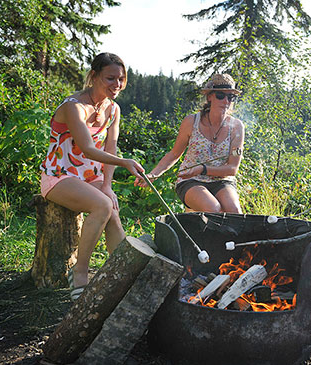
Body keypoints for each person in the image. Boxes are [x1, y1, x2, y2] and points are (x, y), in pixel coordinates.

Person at [40, 52, 145, 300]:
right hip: (59, 174)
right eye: (110, 78)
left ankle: (121, 275)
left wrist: (107, 185)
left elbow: (110, 147)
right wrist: (125, 163)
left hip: (89, 175)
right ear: (94, 76)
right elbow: (88, 148)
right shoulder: (73, 107)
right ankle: (80, 273)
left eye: (121, 79)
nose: (116, 85)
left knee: (112, 210)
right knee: (101, 205)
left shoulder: (113, 109)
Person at [137, 73, 244, 213]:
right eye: (220, 95)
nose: (226, 101)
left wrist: (203, 169)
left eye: (231, 97)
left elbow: (232, 169)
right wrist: (153, 174)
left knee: (234, 210)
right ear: (210, 96)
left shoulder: (236, 127)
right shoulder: (191, 122)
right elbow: (174, 153)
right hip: (191, 180)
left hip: (222, 181)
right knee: (213, 208)